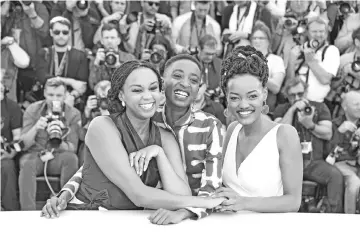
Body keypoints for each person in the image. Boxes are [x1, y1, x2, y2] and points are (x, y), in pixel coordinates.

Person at [41, 55, 225, 224]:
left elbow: (181, 193)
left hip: (132, 222)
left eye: (153, 88)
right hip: (84, 218)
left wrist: (159, 154)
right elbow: (137, 194)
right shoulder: (102, 126)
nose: (147, 96)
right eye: (137, 90)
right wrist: (205, 202)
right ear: (121, 95)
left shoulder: (165, 136)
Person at [214, 45, 303, 213]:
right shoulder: (232, 129)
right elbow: (223, 186)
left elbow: (293, 202)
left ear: (265, 94)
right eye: (235, 98)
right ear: (226, 98)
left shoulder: (285, 135)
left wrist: (244, 203)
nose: (244, 105)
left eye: (252, 96)